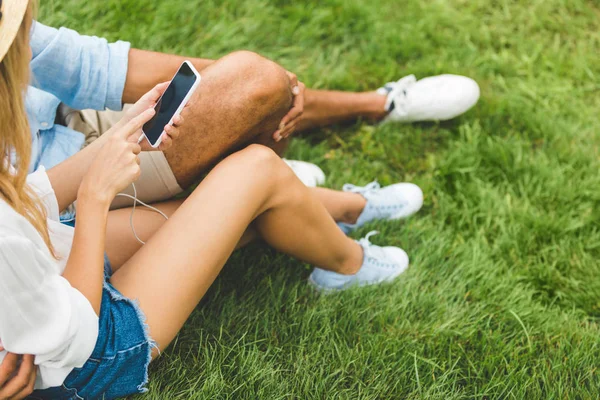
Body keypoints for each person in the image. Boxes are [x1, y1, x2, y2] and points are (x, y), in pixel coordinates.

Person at [0, 1, 430, 399]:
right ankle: (346, 263)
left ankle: (334, 208)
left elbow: (22, 203)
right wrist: (94, 200)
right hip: (86, 350)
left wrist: (117, 138)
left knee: (221, 208)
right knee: (254, 171)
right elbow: (75, 331)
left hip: (47, 254)